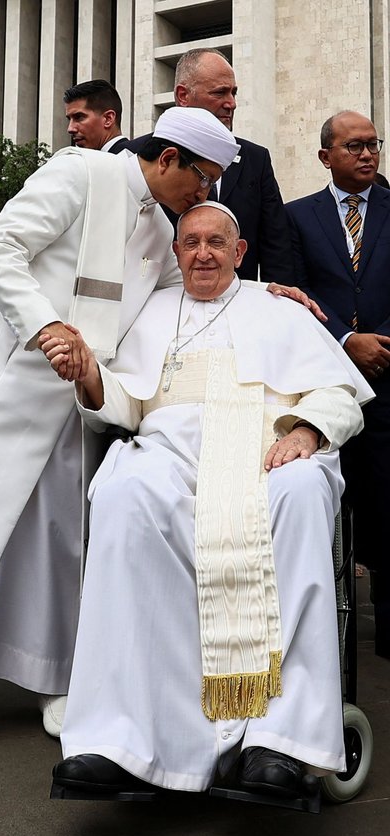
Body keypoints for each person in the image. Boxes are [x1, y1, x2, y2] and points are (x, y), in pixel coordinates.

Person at [0, 107, 239, 760]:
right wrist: (46, 325)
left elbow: (182, 299)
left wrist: (265, 294)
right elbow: (2, 248)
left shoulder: (160, 229)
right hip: (9, 382)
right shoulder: (83, 173)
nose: (204, 196)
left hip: (77, 403)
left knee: (56, 541)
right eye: (202, 180)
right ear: (169, 158)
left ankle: (50, 673)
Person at [42, 201, 371, 800]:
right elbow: (125, 403)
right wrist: (91, 374)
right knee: (121, 492)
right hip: (172, 459)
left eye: (216, 242)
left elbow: (341, 393)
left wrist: (305, 431)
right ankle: (125, 740)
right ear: (175, 253)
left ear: (239, 252)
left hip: (265, 455)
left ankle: (282, 741)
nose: (202, 254)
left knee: (301, 490)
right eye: (190, 243)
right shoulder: (153, 312)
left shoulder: (278, 307)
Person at [285, 110, 390, 660]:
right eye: (354, 147)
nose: (368, 154)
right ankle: (326, 630)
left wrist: (379, 342)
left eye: (373, 145)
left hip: (389, 375)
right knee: (326, 501)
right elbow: (292, 289)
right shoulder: (297, 217)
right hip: (325, 377)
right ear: (326, 156)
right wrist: (345, 342)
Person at [125, 48, 294, 283]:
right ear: (183, 96)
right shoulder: (132, 158)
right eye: (220, 93)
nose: (232, 103)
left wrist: (275, 299)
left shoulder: (256, 159)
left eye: (234, 93)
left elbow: (276, 246)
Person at [64, 79, 129, 152]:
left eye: (79, 117)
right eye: (69, 119)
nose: (70, 129)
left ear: (108, 119)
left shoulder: (135, 159)